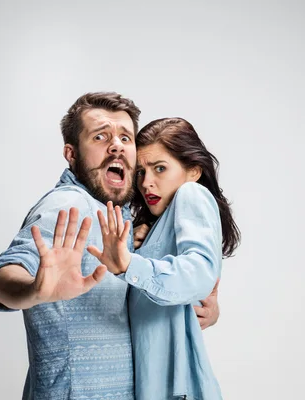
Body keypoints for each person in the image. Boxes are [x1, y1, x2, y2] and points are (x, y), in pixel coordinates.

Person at [0, 93, 219, 400]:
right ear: (72, 153)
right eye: (100, 136)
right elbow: (2, 276)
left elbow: (179, 269)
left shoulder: (121, 213)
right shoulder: (69, 205)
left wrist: (199, 302)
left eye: (125, 137)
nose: (117, 145)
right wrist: (33, 290)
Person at [87, 117, 241, 400]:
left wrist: (129, 264)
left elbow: (199, 272)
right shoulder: (153, 229)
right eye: (141, 172)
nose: (147, 183)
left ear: (193, 171)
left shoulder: (191, 193)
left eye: (160, 169)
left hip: (177, 389)